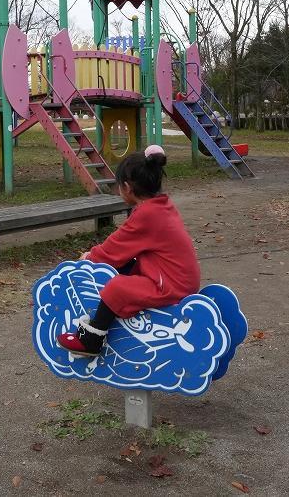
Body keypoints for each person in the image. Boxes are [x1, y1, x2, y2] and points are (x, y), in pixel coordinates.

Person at [57, 144, 201, 357]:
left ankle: (92, 340)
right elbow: (125, 248)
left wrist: (90, 257)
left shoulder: (147, 215)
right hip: (176, 278)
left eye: (118, 187)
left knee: (117, 287)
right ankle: (108, 317)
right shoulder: (161, 206)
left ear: (127, 187)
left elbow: (114, 248)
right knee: (126, 266)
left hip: (171, 285)